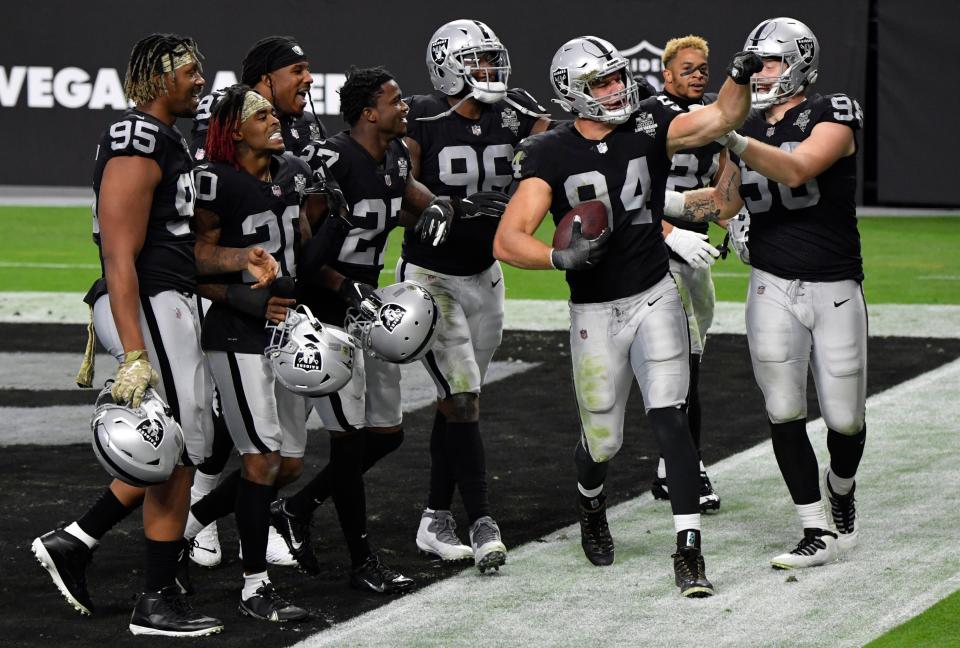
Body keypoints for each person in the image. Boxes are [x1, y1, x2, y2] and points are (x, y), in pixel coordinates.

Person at [493, 35, 760, 597]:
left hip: (654, 292)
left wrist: (740, 72)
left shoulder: (649, 122)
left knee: (671, 419)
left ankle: (688, 550)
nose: (617, 89)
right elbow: (508, 239)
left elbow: (723, 115)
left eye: (618, 77)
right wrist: (555, 256)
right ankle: (591, 503)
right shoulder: (549, 152)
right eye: (602, 82)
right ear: (573, 92)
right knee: (604, 440)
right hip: (594, 308)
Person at [32, 34, 242, 635]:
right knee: (178, 446)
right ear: (158, 79)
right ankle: (153, 598)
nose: (200, 82)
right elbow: (119, 258)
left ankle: (80, 544)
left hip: (168, 299)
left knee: (181, 447)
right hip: (148, 304)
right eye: (189, 74)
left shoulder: (167, 138)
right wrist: (132, 353)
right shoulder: (137, 138)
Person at [668, 17, 865, 569]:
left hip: (834, 284)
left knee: (846, 419)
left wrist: (733, 138)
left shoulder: (832, 111)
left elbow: (800, 167)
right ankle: (813, 528)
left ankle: (842, 488)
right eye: (755, 64)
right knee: (783, 409)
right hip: (772, 284)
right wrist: (653, 205)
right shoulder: (748, 126)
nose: (760, 74)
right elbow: (724, 204)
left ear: (799, 62)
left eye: (771, 62)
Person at [269, 65, 457, 593]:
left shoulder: (396, 154)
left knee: (386, 434)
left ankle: (297, 509)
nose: (405, 108)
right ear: (368, 111)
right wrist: (340, 284)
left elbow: (408, 195)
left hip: (365, 308)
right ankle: (360, 560)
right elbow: (302, 249)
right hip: (322, 315)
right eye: (395, 101)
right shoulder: (327, 159)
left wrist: (443, 207)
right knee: (327, 447)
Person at [398, 19, 550, 571]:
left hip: (486, 275)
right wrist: (455, 205)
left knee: (458, 402)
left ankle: (434, 516)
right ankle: (483, 521)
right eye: (480, 63)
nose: (492, 73)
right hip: (431, 277)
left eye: (493, 61)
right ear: (449, 67)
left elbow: (555, 147)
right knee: (462, 398)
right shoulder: (422, 116)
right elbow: (400, 193)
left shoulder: (517, 109)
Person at [188, 35, 325, 568]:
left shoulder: (292, 157)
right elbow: (193, 252)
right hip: (230, 308)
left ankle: (242, 514)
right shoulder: (216, 163)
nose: (308, 81)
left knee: (278, 452)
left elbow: (301, 233)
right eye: (297, 70)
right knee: (232, 427)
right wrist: (243, 294)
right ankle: (205, 512)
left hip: (284, 311)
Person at [650, 35, 726, 512]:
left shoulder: (714, 113)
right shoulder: (650, 113)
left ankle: (667, 466)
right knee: (685, 367)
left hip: (695, 245)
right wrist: (668, 230)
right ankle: (687, 466)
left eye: (703, 67)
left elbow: (722, 173)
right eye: (688, 68)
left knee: (694, 357)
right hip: (657, 247)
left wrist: (732, 212)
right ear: (667, 74)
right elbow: (630, 190)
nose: (698, 74)